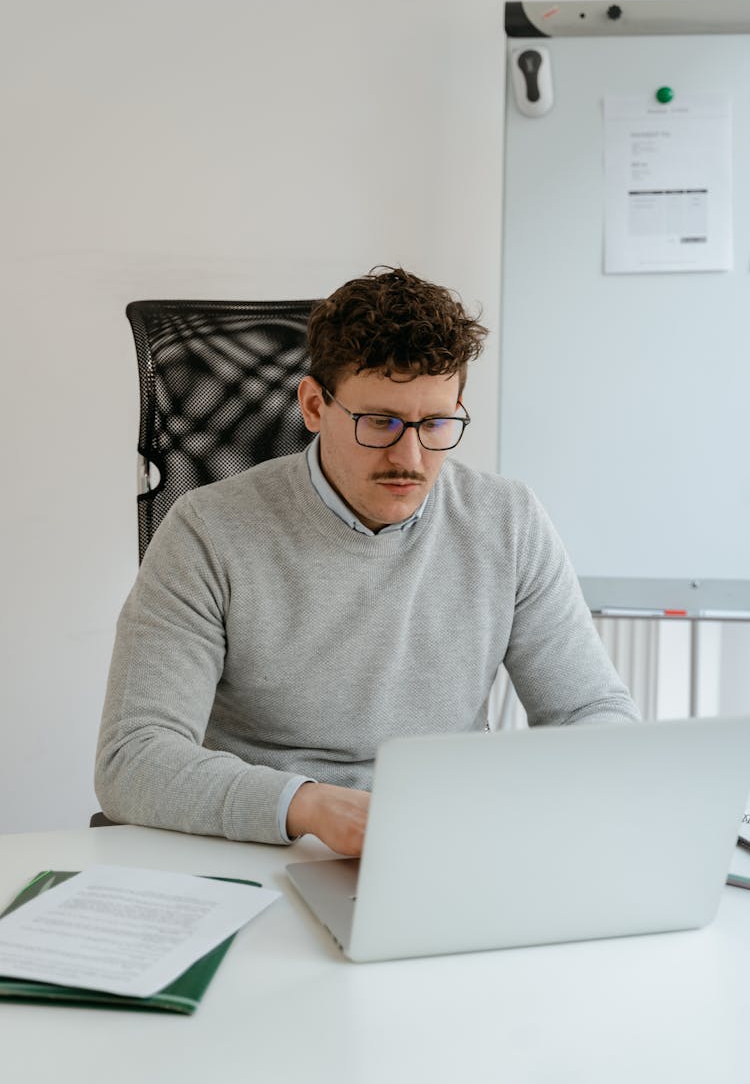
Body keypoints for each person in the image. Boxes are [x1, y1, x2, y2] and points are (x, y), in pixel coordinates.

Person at [96, 266, 638, 856]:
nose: (410, 457)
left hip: (442, 846)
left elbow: (591, 711)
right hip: (264, 847)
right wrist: (308, 805)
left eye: (434, 423)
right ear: (313, 405)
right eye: (379, 422)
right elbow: (134, 758)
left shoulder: (507, 521)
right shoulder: (208, 531)